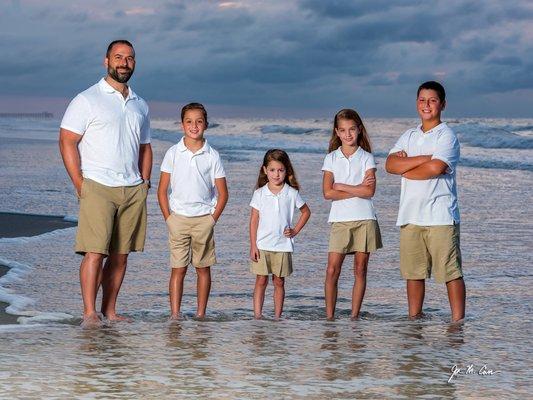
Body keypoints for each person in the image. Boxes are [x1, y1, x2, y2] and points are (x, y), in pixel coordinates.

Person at [59, 40, 152, 327]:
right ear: (106, 61)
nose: (124, 63)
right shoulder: (86, 99)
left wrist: (145, 182)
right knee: (95, 252)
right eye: (118, 57)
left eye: (129, 58)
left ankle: (109, 310)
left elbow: (145, 147)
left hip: (132, 188)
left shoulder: (140, 104)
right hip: (97, 185)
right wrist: (80, 183)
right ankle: (90, 313)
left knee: (121, 256)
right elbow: (67, 141)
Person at [385, 81, 466, 322]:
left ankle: (457, 322)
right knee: (414, 273)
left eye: (432, 100)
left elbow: (437, 167)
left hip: (441, 215)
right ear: (416, 103)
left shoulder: (447, 136)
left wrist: (408, 166)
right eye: (422, 100)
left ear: (443, 104)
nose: (426, 105)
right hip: (410, 215)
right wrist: (423, 159)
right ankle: (414, 319)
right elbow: (390, 165)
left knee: (450, 272)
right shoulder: (408, 135)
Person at [157, 103, 228, 320]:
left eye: (199, 121)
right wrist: (169, 218)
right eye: (189, 121)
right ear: (182, 125)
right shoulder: (173, 153)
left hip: (203, 221)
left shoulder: (212, 155)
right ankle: (175, 315)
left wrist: (211, 220)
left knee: (203, 269)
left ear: (206, 124)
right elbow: (161, 191)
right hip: (177, 219)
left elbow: (223, 193)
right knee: (178, 269)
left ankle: (200, 315)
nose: (194, 126)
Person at [322, 109, 382, 320]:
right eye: (343, 130)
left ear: (359, 130)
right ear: (337, 132)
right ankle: (330, 317)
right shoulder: (331, 158)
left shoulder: (367, 157)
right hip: (340, 220)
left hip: (365, 218)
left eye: (352, 129)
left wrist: (342, 186)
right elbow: (328, 193)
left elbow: (369, 192)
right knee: (332, 270)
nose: (348, 134)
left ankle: (354, 317)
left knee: (360, 270)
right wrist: (355, 188)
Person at [249, 149, 311, 319]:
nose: (276, 174)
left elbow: (306, 212)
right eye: (272, 170)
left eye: (280, 170)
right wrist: (253, 245)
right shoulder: (259, 193)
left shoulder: (291, 193)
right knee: (261, 281)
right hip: (262, 246)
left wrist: (295, 230)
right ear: (265, 170)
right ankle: (258, 316)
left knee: (279, 282)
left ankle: (277, 317)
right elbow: (254, 220)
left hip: (283, 246)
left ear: (286, 171)